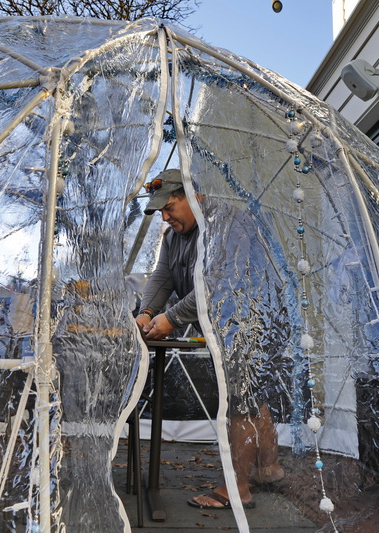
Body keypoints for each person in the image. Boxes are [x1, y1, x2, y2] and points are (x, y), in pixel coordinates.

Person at [135, 168, 286, 511]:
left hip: (255, 321)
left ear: (194, 197)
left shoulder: (228, 224)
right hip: (226, 325)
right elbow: (162, 276)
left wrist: (171, 318)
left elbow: (219, 283)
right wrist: (146, 311)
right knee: (250, 398)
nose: (165, 216)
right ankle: (269, 469)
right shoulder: (173, 235)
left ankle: (239, 489)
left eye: (170, 207)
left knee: (240, 403)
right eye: (160, 211)